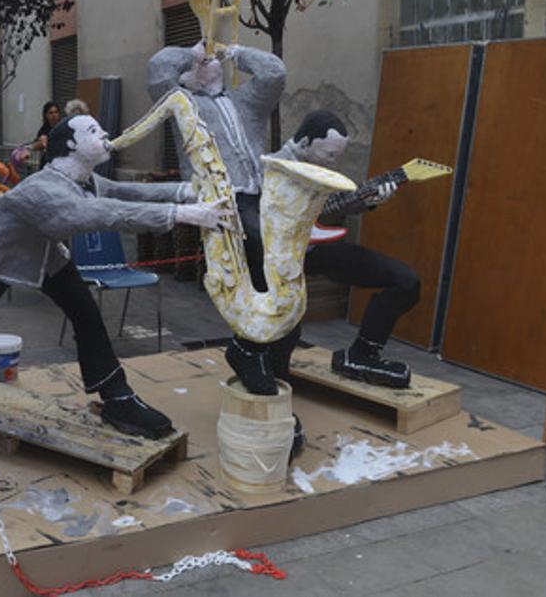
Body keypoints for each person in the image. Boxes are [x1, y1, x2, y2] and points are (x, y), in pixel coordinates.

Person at [0, 114, 231, 438]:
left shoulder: (85, 179)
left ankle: (116, 395)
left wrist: (187, 191)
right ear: (71, 144)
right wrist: (184, 214)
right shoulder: (43, 188)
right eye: (93, 130)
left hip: (46, 254)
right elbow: (93, 213)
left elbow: (123, 192)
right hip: (2, 254)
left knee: (85, 313)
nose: (104, 133)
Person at [147, 42, 290, 390]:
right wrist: (190, 53)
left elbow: (275, 73)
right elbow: (157, 70)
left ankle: (274, 360)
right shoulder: (182, 104)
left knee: (282, 276)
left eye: (211, 59)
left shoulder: (247, 101)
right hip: (223, 202)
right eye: (202, 60)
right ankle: (250, 351)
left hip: (261, 197)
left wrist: (237, 52)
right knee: (264, 270)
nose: (208, 60)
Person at [271, 109, 418, 389]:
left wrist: (366, 200)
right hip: (276, 257)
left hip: (315, 247)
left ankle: (361, 355)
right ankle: (270, 386)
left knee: (406, 281)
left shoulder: (317, 168)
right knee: (285, 334)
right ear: (304, 143)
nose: (333, 163)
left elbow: (324, 211)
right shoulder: (274, 168)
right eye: (329, 155)